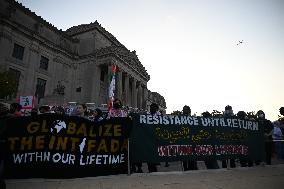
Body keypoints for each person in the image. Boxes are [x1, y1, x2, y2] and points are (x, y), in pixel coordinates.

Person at [182, 105, 198, 171]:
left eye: (186, 110)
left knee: (192, 159)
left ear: (189, 111)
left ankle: (193, 168)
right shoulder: (180, 119)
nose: (184, 111)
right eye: (184, 110)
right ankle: (186, 169)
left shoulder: (193, 119)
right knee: (185, 159)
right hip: (183, 142)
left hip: (192, 142)